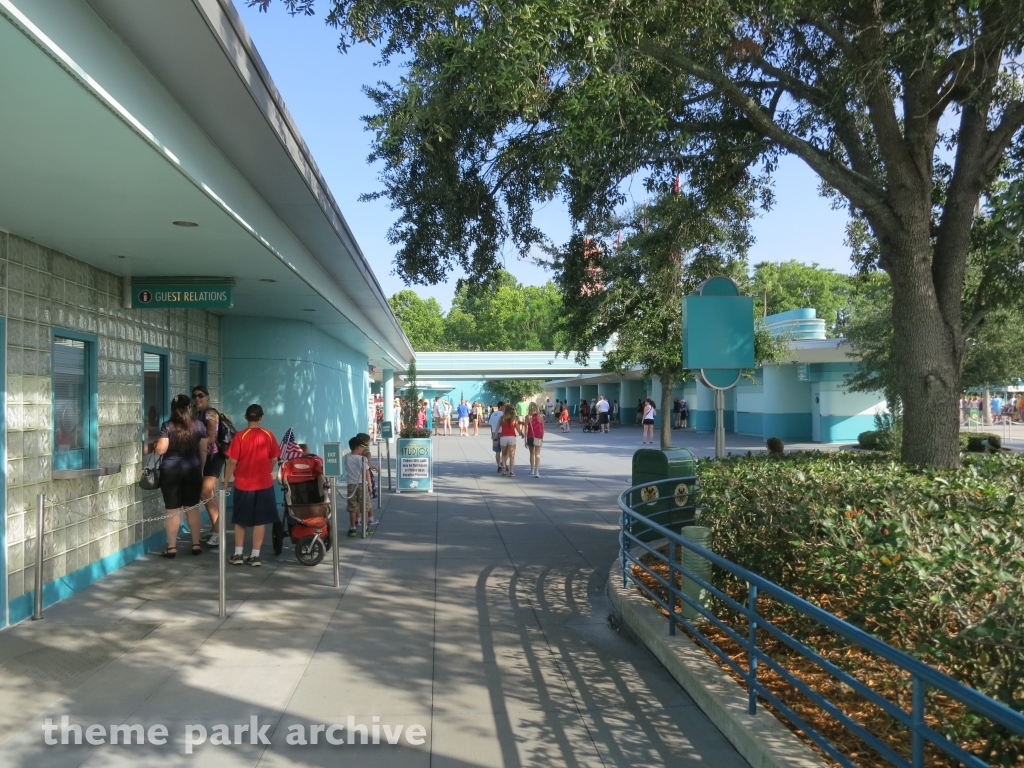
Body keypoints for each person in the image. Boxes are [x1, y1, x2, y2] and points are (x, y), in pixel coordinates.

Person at [224, 403, 280, 567]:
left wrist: (226, 482)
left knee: (240, 520)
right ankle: (255, 555)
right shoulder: (268, 435)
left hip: (243, 484)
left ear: (246, 418)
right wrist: (266, 470)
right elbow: (274, 458)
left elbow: (232, 461)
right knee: (260, 521)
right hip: (263, 484)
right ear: (261, 417)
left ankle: (238, 554)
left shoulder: (240, 436)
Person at [156, 395, 208, 558]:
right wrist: (201, 469)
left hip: (171, 471)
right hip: (192, 470)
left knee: (172, 509)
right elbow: (204, 450)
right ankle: (196, 544)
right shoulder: (199, 426)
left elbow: (161, 450)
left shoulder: (167, 426)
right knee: (192, 508)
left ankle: (171, 548)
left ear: (173, 409)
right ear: (188, 408)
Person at [192, 385, 231, 548]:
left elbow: (211, 438)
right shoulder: (198, 414)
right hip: (205, 457)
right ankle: (216, 529)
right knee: (210, 494)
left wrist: (194, 441)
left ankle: (219, 532)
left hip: (213, 457)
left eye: (201, 395)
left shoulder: (210, 413)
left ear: (207, 396)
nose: (197, 398)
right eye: (194, 396)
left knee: (205, 492)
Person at [345, 435, 373, 536]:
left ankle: (352, 528)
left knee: (352, 508)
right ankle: (365, 527)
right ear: (358, 447)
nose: (363, 449)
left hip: (351, 485)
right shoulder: (362, 459)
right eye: (362, 447)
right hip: (361, 485)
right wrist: (369, 485)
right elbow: (367, 473)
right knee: (364, 507)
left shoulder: (347, 457)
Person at [499, 404, 523, 476]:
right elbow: (518, 430)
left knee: (504, 454)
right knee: (512, 455)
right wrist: (522, 434)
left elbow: (500, 427)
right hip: (512, 437)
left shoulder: (502, 418)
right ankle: (511, 471)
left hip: (503, 437)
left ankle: (503, 468)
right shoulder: (514, 419)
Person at [525, 402, 545, 477]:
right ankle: (537, 471)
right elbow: (543, 428)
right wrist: (542, 437)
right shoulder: (540, 416)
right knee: (537, 454)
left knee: (531, 453)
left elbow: (526, 429)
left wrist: (525, 440)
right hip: (538, 436)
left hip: (530, 436)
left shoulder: (527, 417)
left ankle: (532, 469)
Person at [489, 400, 506, 472]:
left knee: (497, 451)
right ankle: (503, 463)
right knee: (505, 451)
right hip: (502, 433)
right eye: (504, 406)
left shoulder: (493, 414)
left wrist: (492, 435)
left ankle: (499, 465)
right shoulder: (503, 414)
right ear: (501, 406)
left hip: (494, 434)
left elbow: (491, 425)